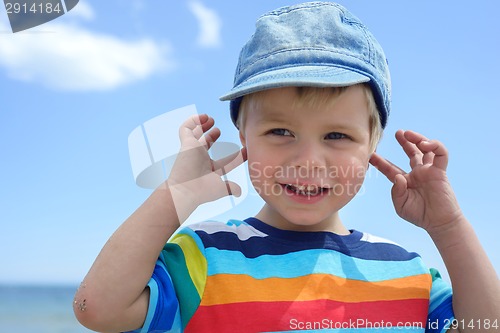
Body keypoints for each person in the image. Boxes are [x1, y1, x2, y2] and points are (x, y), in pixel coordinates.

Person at [74, 2, 499, 333]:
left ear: (372, 145)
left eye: (337, 136)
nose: (308, 161)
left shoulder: (405, 272)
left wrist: (448, 227)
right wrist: (176, 196)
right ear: (243, 139)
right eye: (280, 131)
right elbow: (97, 309)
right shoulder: (204, 258)